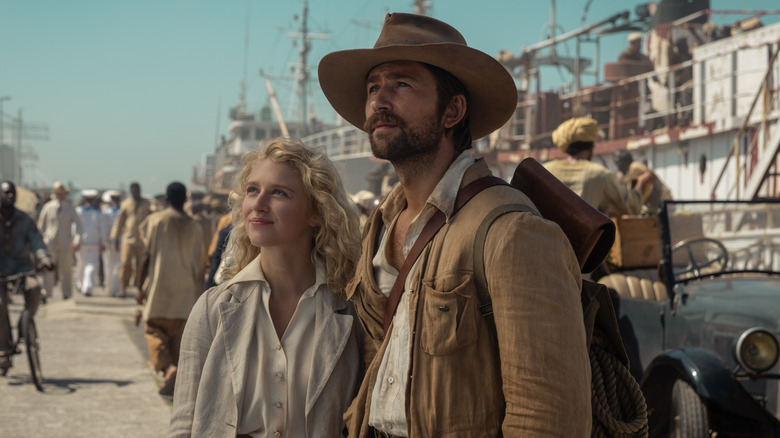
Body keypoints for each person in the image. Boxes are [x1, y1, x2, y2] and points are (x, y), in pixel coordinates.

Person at [318, 13, 590, 436]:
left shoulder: (511, 231)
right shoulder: (380, 226)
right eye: (374, 87)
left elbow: (547, 415)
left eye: (401, 84)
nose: (378, 101)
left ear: (452, 110)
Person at [168, 138, 364, 437]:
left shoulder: (351, 312)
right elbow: (184, 424)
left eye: (279, 193)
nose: (258, 205)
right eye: (252, 190)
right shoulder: (213, 308)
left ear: (315, 212)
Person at [135, 182, 206, 396]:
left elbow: (146, 257)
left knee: (154, 331)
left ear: (165, 198)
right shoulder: (195, 226)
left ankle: (168, 369)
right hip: (186, 293)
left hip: (160, 289)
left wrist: (139, 286)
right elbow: (200, 263)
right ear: (185, 200)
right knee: (178, 340)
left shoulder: (155, 221)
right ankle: (174, 380)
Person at [544, 117, 652, 218]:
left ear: (565, 145)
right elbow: (632, 206)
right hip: (579, 238)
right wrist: (641, 182)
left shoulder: (545, 170)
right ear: (591, 146)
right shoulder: (598, 174)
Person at [0, 181, 53, 371]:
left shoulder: (25, 220)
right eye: (5, 193)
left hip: (22, 268)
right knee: (0, 305)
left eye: (12, 193)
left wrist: (45, 259)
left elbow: (37, 242)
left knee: (35, 289)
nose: (9, 196)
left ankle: (25, 323)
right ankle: (4, 350)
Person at [37, 181, 82, 300]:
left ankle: (66, 293)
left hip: (65, 243)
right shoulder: (48, 207)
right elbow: (40, 226)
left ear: (65, 194)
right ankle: (47, 293)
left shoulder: (70, 207)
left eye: (62, 193)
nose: (60, 195)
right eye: (58, 193)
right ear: (55, 193)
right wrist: (39, 243)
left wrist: (76, 240)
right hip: (50, 243)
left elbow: (79, 226)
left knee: (66, 271)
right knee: (48, 269)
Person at [110, 182, 151, 298]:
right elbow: (120, 221)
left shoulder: (147, 203)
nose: (136, 192)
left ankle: (139, 289)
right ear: (131, 191)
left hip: (142, 240)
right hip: (128, 239)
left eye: (137, 190)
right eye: (134, 190)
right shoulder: (126, 204)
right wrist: (116, 237)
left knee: (140, 265)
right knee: (125, 263)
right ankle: (122, 288)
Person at [75, 189, 105, 296]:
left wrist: (75, 241)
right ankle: (87, 286)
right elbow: (102, 229)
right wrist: (103, 243)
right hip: (94, 242)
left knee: (82, 263)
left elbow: (74, 228)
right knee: (91, 265)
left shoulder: (78, 211)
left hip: (81, 242)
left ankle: (81, 284)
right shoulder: (98, 213)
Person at [101, 190, 122, 296]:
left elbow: (104, 229)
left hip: (109, 241)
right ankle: (115, 287)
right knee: (118, 265)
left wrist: (104, 243)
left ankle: (108, 287)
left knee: (108, 265)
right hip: (120, 241)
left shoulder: (106, 212)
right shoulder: (122, 211)